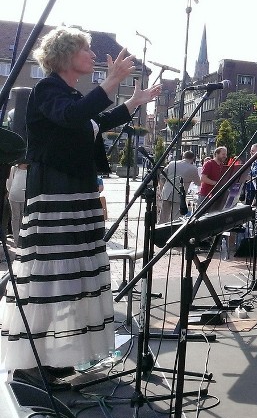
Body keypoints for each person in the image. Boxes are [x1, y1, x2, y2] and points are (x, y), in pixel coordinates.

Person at [0, 26, 160, 386]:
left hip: (76, 190)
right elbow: (73, 117)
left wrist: (133, 102)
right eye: (85, 50)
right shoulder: (47, 89)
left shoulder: (70, 93)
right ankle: (32, 361)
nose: (91, 56)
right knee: (51, 274)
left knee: (70, 278)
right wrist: (110, 82)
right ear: (66, 55)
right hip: (56, 191)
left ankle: (55, 355)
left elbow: (94, 121)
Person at [157, 150, 200, 224]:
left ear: (183, 156)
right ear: (193, 158)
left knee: (163, 217)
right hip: (179, 195)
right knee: (176, 218)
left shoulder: (172, 163)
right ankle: (172, 233)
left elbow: (162, 176)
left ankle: (159, 232)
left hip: (167, 193)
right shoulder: (193, 168)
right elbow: (198, 183)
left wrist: (164, 187)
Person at [6, 162, 27, 245]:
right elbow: (9, 182)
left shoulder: (30, 170)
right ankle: (16, 239)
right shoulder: (14, 168)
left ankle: (23, 238)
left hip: (25, 196)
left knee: (23, 217)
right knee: (15, 217)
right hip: (14, 196)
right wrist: (9, 192)